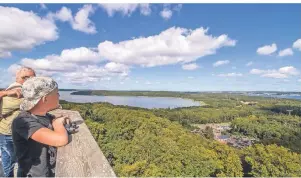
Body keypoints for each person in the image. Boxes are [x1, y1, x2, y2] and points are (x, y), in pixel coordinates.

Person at [12, 77, 69, 177]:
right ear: (45, 98)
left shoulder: (44, 116)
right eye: (56, 93)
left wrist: (60, 120)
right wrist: (58, 124)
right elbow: (61, 139)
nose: (59, 95)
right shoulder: (22, 122)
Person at [0, 67, 36, 177]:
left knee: (8, 158)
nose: (31, 81)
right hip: (11, 132)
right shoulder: (17, 91)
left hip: (4, 130)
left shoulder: (11, 90)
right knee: (22, 161)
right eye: (27, 78)